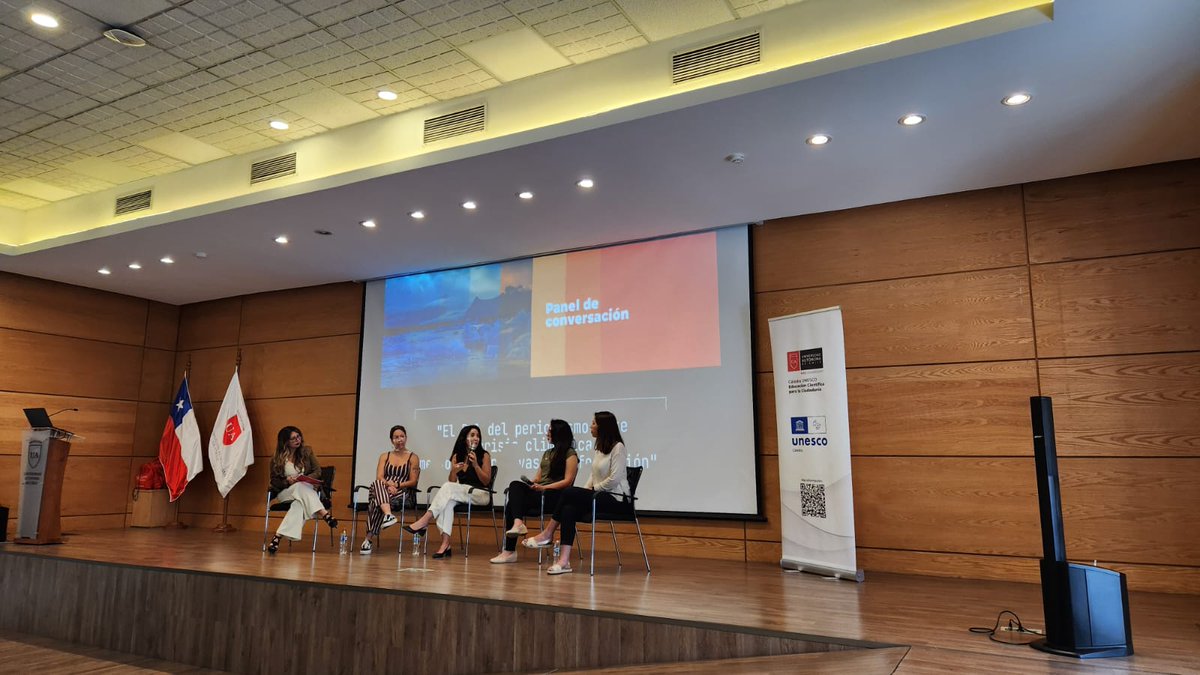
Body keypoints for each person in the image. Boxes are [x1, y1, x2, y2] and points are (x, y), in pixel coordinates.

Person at [522, 411, 629, 574]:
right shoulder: (600, 449)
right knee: (568, 508)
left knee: (569, 492)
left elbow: (614, 479)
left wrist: (592, 490)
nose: (590, 426)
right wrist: (584, 491)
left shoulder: (618, 447)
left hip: (616, 499)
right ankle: (564, 561)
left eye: (593, 423)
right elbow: (593, 476)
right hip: (599, 496)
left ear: (603, 427)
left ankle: (548, 533)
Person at [490, 419, 580, 564]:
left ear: (558, 433)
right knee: (515, 486)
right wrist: (532, 484)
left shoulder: (570, 454)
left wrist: (544, 488)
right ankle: (516, 528)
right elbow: (538, 477)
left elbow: (568, 481)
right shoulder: (547, 453)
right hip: (540, 493)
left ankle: (509, 550)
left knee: (512, 505)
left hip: (554, 496)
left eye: (550, 430)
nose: (547, 433)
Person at [404, 425, 493, 558]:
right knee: (447, 503)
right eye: (472, 435)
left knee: (447, 488)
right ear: (464, 438)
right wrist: (454, 471)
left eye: (478, 435)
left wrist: (475, 465)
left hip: (480, 494)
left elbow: (486, 481)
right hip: (462, 494)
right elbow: (452, 481)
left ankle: (425, 520)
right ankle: (445, 544)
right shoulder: (457, 456)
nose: (476, 438)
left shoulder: (484, 455)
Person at [266, 426, 336, 554]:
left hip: (305, 490)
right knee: (299, 487)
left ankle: (277, 537)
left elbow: (317, 471)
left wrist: (304, 479)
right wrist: (287, 481)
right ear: (285, 442)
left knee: (299, 503)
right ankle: (324, 514)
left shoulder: (307, 452)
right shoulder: (276, 458)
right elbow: (274, 480)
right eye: (293, 438)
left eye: (298, 436)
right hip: (286, 492)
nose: (297, 440)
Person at [360, 425, 421, 555]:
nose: (399, 439)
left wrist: (397, 485)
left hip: (403, 491)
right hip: (384, 488)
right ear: (391, 440)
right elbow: (379, 477)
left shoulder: (413, 457)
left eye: (402, 436)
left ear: (406, 438)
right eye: (396, 437)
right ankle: (388, 514)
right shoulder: (385, 456)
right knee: (377, 483)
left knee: (375, 501)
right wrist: (388, 485)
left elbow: (413, 481)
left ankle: (368, 539)